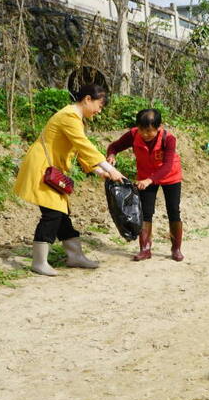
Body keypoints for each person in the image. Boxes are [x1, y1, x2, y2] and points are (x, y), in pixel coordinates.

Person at [14, 84, 124, 276]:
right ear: (87, 99)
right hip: (41, 167)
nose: (99, 110)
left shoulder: (76, 119)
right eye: (99, 104)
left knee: (61, 212)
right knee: (52, 214)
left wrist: (99, 171)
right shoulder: (69, 116)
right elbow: (84, 145)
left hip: (50, 169)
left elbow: (78, 149)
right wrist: (109, 168)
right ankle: (39, 261)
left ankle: (75, 255)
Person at [106, 109, 185, 262]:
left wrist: (150, 180)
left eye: (149, 131)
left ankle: (176, 248)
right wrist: (111, 154)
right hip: (145, 176)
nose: (145, 134)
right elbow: (114, 146)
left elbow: (168, 165)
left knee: (174, 211)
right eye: (142, 130)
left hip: (170, 176)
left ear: (159, 127)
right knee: (145, 212)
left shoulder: (168, 139)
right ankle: (145, 249)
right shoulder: (134, 134)